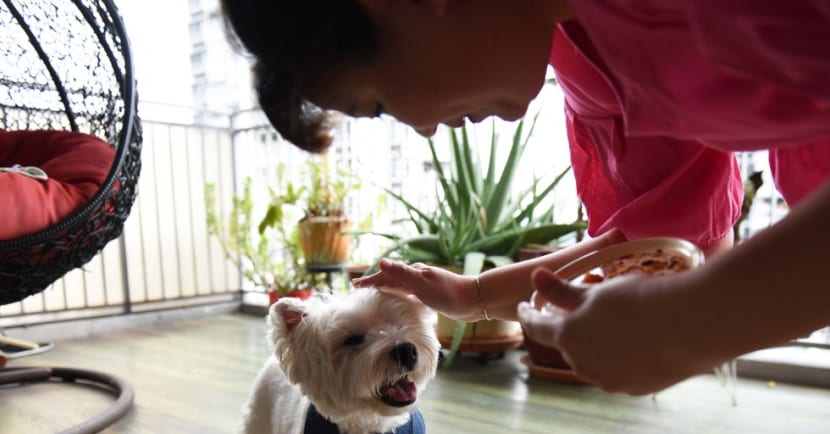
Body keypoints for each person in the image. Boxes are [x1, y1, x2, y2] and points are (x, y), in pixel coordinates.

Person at [219, 0, 830, 399]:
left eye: (376, 104)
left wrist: (692, 328)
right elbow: (673, 245)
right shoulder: (575, 59)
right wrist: (469, 296)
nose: (421, 128)